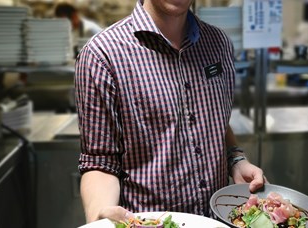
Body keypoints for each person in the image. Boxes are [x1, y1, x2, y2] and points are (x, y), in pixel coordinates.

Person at [75, 0, 265, 224]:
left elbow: (214, 119)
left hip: (217, 220)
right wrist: (100, 216)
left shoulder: (218, 44)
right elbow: (100, 162)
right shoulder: (102, 54)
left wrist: (235, 159)